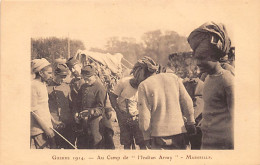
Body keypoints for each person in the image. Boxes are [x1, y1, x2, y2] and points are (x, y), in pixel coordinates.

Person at [187, 21, 234, 149]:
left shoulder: (227, 81)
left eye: (202, 58)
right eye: (196, 58)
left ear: (215, 56)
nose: (198, 63)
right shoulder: (207, 79)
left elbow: (236, 121)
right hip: (207, 143)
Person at [135, 56, 196, 149]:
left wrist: (146, 137)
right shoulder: (173, 78)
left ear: (140, 72)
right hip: (179, 131)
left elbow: (144, 118)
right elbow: (187, 102)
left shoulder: (144, 86)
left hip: (159, 135)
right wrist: (191, 122)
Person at [66, 57, 115, 149]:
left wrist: (90, 112)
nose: (86, 81)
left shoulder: (99, 87)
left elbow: (101, 107)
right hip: (84, 120)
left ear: (94, 76)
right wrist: (76, 112)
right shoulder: (83, 86)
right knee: (84, 142)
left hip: (96, 119)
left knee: (96, 141)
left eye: (88, 78)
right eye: (84, 79)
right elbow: (78, 102)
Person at [109, 76, 146, 149]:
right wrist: (118, 112)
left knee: (142, 141)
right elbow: (112, 96)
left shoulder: (145, 85)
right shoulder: (123, 82)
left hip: (137, 116)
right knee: (127, 142)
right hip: (123, 116)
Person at [47, 63, 75, 149]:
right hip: (53, 122)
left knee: (69, 146)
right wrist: (53, 120)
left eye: (64, 77)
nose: (63, 79)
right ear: (55, 74)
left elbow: (72, 105)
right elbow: (44, 107)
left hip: (67, 123)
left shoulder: (67, 87)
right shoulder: (47, 87)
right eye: (61, 77)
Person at [31, 58, 56, 149]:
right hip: (39, 130)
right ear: (41, 73)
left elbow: (44, 107)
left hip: (47, 126)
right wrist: (46, 129)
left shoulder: (43, 84)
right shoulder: (33, 85)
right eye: (49, 73)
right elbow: (33, 111)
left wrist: (53, 121)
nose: (51, 75)